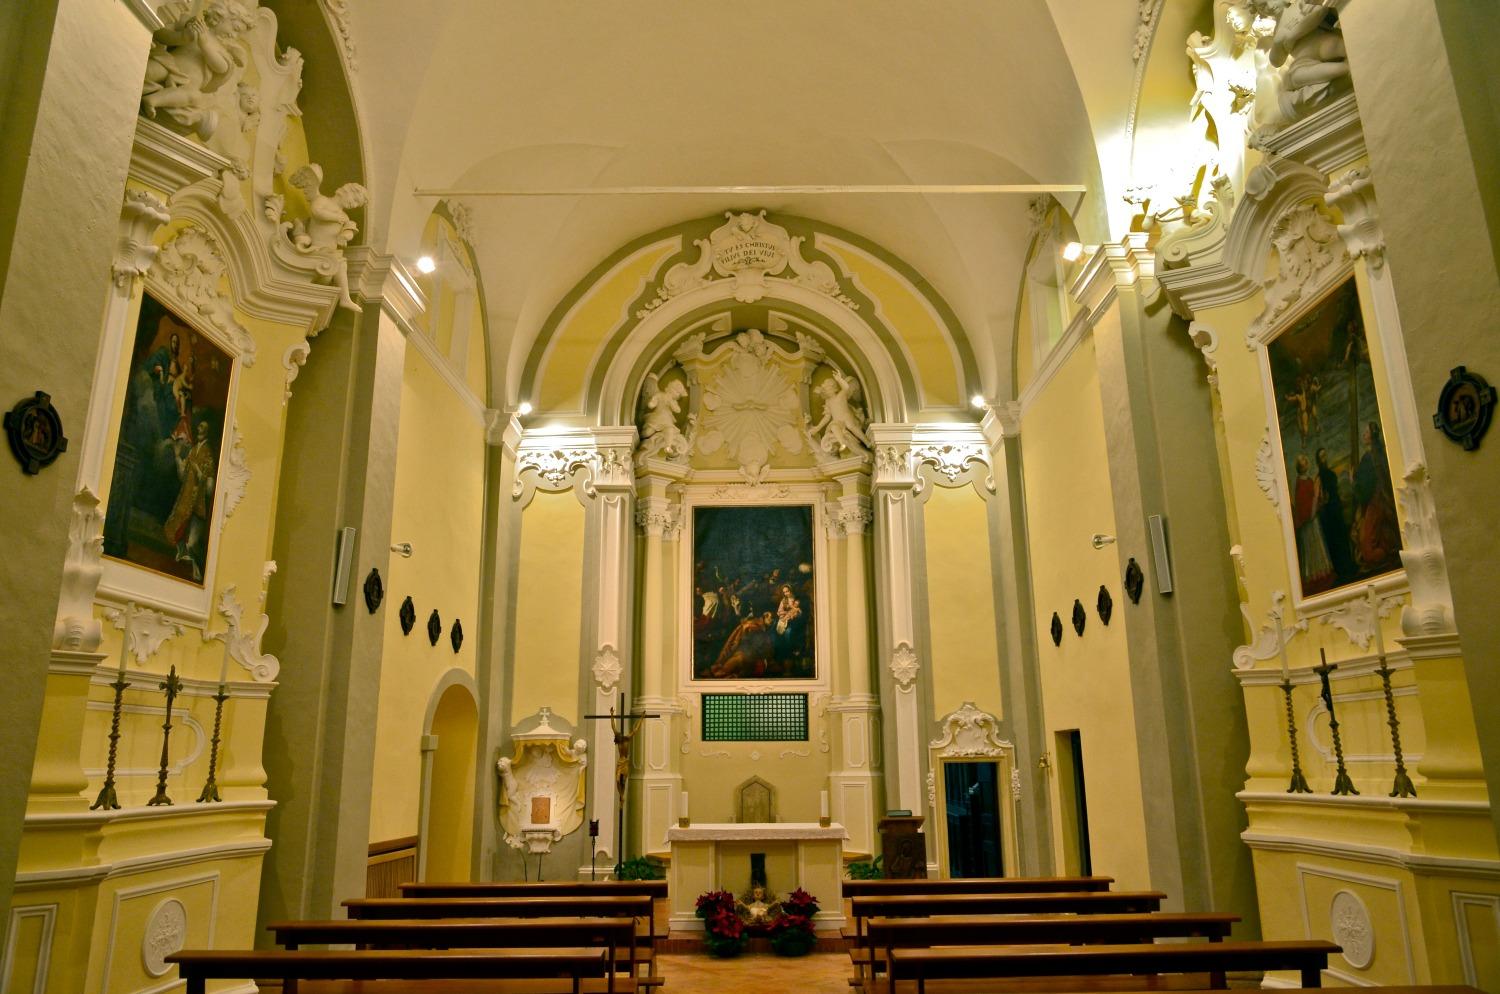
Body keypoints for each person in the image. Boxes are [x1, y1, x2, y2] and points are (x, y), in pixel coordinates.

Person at [164, 419, 217, 582]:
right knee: (179, 537)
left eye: (203, 427)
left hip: (198, 503)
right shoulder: (194, 450)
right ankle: (191, 570)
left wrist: (197, 469)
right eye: (199, 426)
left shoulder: (207, 452)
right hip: (186, 500)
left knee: (193, 544)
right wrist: (176, 454)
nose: (199, 429)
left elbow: (209, 483)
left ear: (207, 432)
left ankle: (200, 573)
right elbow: (182, 475)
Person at [1352, 422, 1401, 573]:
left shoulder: (1369, 457)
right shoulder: (1380, 453)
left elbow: (1364, 487)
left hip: (1376, 501)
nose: (1364, 435)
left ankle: (1388, 555)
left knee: (1367, 547)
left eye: (1366, 432)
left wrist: (1353, 481)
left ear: (1372, 436)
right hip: (1384, 500)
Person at [1291, 453, 1334, 592]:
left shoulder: (1308, 480)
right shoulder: (1301, 483)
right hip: (1308, 524)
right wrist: (1314, 502)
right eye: (1302, 460)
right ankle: (1315, 578)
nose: (1305, 461)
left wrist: (1318, 500)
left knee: (1318, 546)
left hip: (1313, 520)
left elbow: (1313, 499)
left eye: (1305, 458)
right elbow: (1303, 505)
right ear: (1300, 466)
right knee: (1312, 548)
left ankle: (1322, 574)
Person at [1314, 447, 1355, 582]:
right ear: (1318, 460)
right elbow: (1319, 497)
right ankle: (1340, 571)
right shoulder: (1319, 478)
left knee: (1342, 537)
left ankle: (1348, 567)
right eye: (1322, 456)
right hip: (1328, 513)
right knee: (1333, 541)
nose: (1324, 458)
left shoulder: (1331, 474)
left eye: (1325, 455)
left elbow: (1336, 491)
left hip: (1336, 509)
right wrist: (1323, 501)